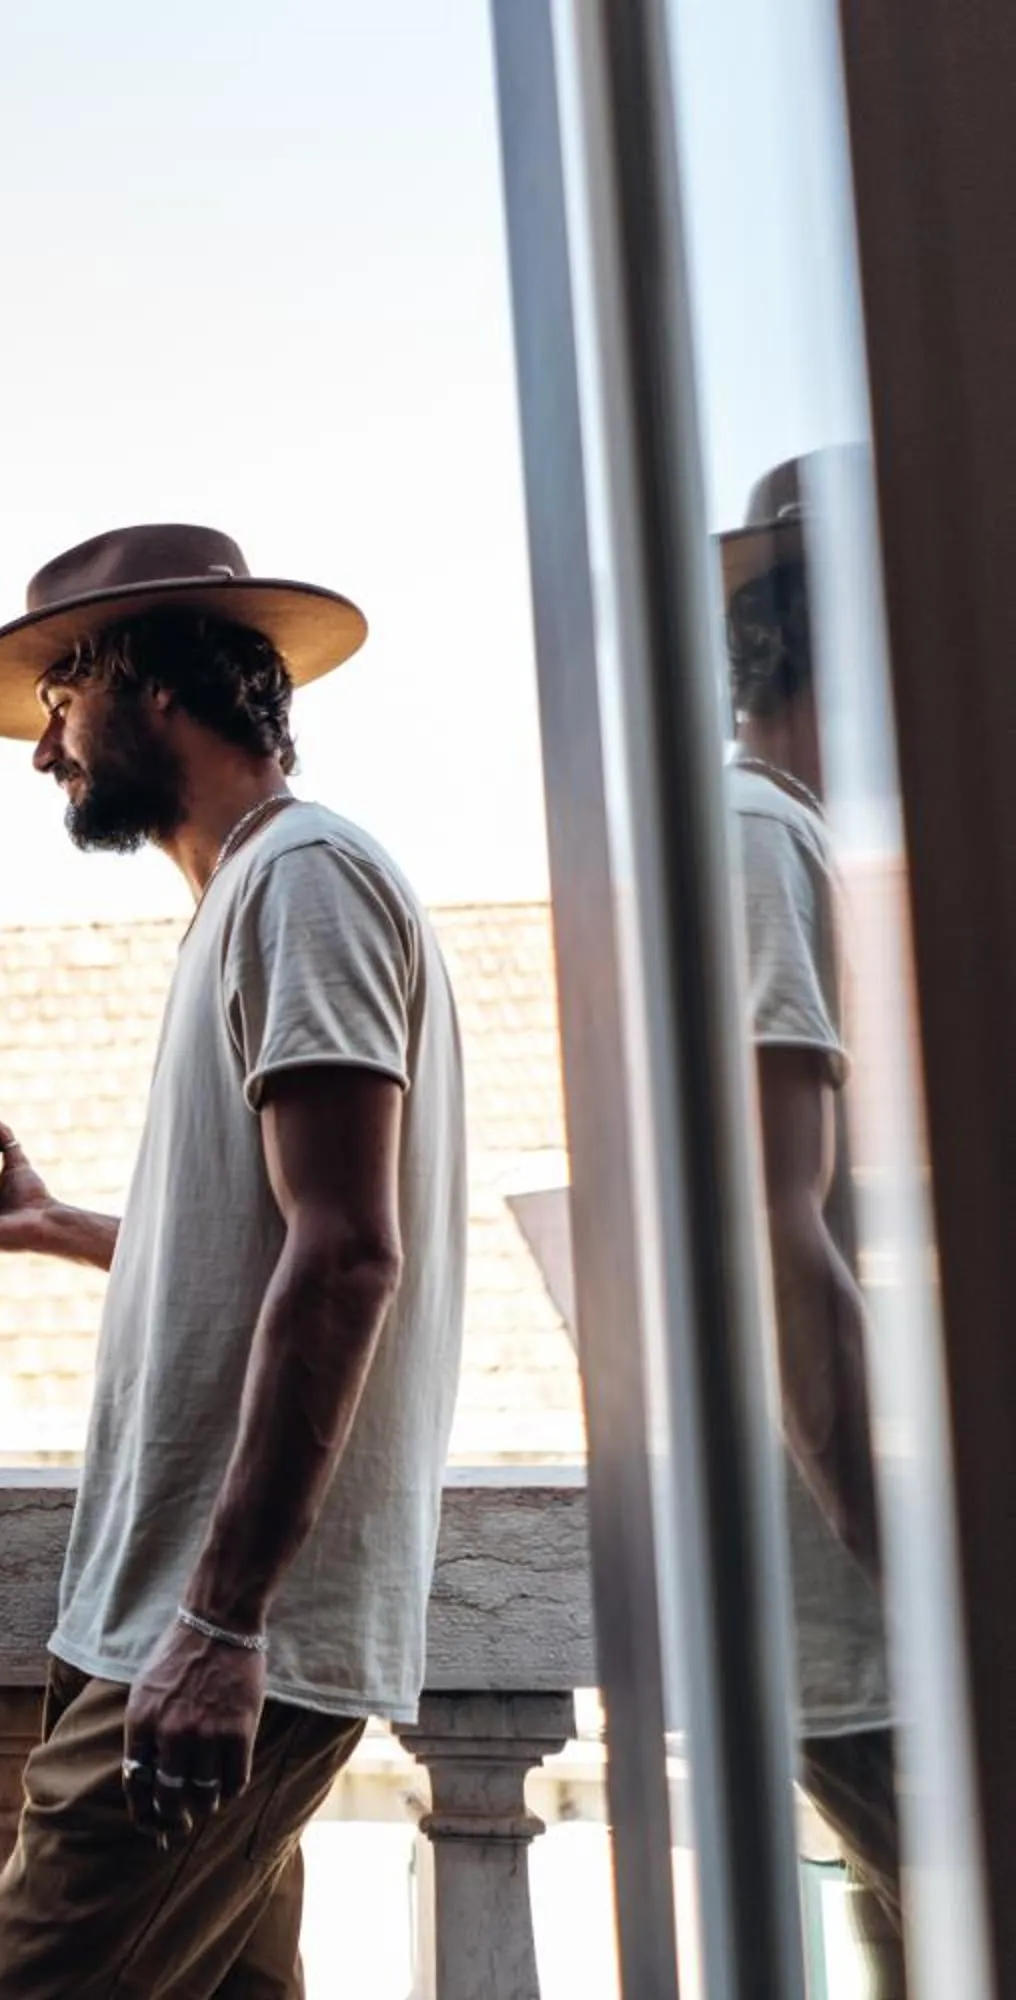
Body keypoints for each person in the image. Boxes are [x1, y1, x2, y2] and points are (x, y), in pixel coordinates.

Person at [0, 526, 469, 1998]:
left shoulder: (305, 879)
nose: (44, 751)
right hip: (180, 1629)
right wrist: (56, 1226)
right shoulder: (253, 896)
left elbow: (347, 1258)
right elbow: (271, 1248)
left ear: (152, 685)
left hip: (219, 1636)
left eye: (59, 701)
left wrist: (221, 1623)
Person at [719, 455, 905, 1991]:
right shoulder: (762, 838)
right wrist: (904, 1553)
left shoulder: (744, 833)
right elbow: (775, 1230)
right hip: (867, 1628)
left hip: (825, 1625)